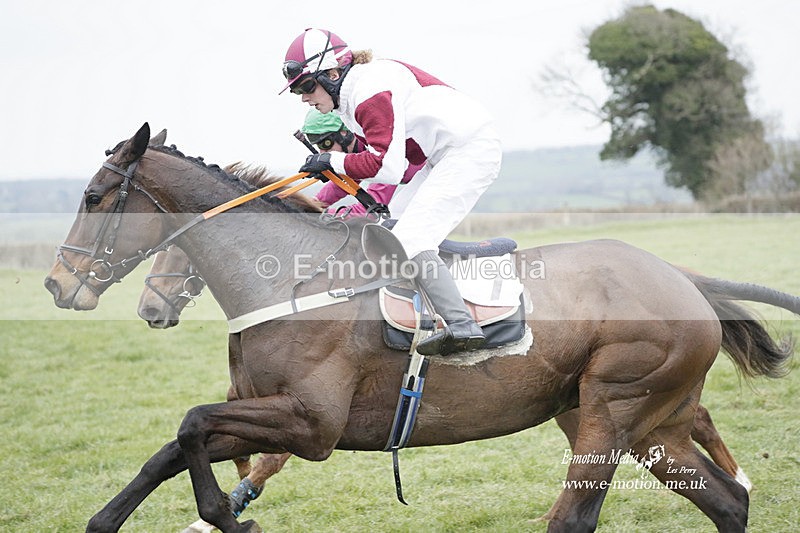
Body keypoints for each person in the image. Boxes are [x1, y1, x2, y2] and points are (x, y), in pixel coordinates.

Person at [279, 28, 502, 356]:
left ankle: (461, 325)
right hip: (438, 156)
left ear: (332, 73)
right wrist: (331, 168)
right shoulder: (354, 94)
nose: (304, 98)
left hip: (467, 151)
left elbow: (387, 168)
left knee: (412, 240)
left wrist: (332, 160)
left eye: (307, 87)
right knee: (393, 230)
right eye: (298, 90)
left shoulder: (369, 90)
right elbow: (385, 167)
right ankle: (423, 308)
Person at [299, 108, 418, 216]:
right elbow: (346, 181)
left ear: (343, 134)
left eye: (325, 143)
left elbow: (372, 211)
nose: (322, 152)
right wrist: (315, 202)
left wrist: (322, 214)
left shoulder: (379, 148)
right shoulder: (360, 147)